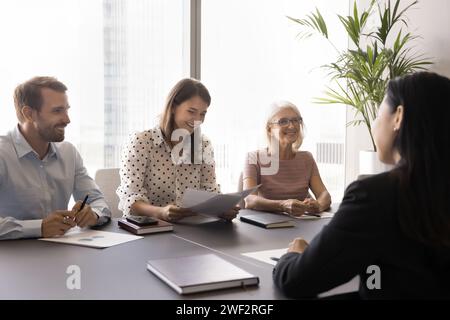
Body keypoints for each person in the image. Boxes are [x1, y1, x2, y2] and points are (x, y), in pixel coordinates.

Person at [273, 72, 450, 299]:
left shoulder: (375, 195)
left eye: (378, 115)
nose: (375, 125)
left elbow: (296, 281)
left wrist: (293, 256)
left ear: (398, 116)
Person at [0, 76, 111, 240]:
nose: (67, 119)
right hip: (11, 258)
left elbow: (98, 201)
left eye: (67, 110)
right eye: (57, 111)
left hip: (61, 253)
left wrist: (93, 213)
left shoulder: (69, 152)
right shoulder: (3, 154)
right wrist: (39, 227)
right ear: (29, 114)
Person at [117, 78, 238, 222]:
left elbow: (209, 189)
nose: (197, 120)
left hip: (192, 228)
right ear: (173, 107)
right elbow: (130, 197)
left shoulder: (203, 145)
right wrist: (160, 212)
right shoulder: (141, 142)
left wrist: (221, 209)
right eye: (191, 111)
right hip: (149, 228)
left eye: (202, 114)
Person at [243, 101, 331, 216]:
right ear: (270, 129)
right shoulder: (254, 158)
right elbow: (249, 200)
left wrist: (318, 205)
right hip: (268, 227)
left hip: (303, 225)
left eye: (296, 120)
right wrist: (283, 205)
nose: (292, 126)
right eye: (283, 121)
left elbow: (324, 195)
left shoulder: (307, 158)